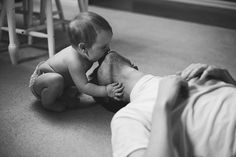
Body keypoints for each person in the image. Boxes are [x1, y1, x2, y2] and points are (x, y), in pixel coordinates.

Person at [95, 51, 236, 157]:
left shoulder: (191, 73)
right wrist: (162, 105)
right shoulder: (127, 117)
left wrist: (229, 80)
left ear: (133, 65)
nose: (100, 57)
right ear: (113, 96)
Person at [29, 12, 124, 112]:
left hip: (64, 81)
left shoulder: (87, 53)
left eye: (108, 44)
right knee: (56, 80)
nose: (108, 48)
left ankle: (63, 93)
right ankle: (48, 103)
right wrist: (106, 91)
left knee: (72, 88)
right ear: (83, 48)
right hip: (42, 79)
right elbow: (84, 87)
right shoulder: (74, 62)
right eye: (103, 47)